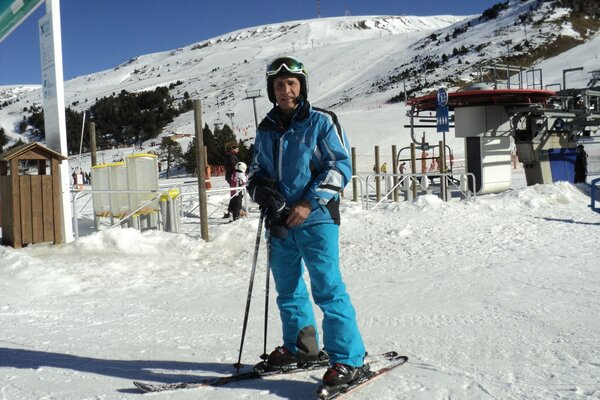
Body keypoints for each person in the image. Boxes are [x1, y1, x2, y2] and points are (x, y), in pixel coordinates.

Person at [247, 55, 366, 388]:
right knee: (288, 290)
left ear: (301, 86)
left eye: (292, 83)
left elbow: (339, 167)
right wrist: (259, 189)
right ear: (272, 90)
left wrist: (308, 202)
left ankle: (347, 359)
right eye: (279, 85)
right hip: (280, 221)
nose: (286, 90)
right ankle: (304, 347)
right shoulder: (266, 128)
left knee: (327, 289)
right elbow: (256, 169)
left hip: (315, 219)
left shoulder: (321, 122)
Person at [224, 141, 239, 218]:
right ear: (232, 149)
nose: (238, 150)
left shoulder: (230, 156)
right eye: (236, 148)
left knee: (235, 193)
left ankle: (231, 210)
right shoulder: (231, 157)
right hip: (232, 177)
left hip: (231, 176)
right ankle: (235, 212)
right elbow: (234, 167)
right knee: (236, 194)